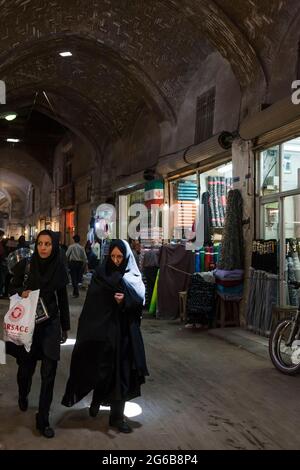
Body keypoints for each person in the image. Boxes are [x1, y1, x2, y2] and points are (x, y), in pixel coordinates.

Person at [62, 239, 149, 433]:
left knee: (122, 373)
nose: (117, 260)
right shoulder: (102, 274)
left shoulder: (133, 275)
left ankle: (116, 418)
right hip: (104, 332)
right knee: (103, 370)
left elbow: (139, 302)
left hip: (125, 334)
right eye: (113, 256)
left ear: (126, 257)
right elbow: (93, 305)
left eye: (120, 257)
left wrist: (125, 301)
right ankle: (98, 399)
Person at [7, 230, 70, 438]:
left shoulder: (59, 268)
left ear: (53, 246)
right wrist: (21, 292)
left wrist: (65, 326)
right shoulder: (26, 265)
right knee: (26, 369)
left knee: (49, 373)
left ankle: (43, 419)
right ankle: (23, 394)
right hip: (28, 326)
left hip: (50, 325)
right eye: (41, 243)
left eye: (48, 244)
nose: (43, 247)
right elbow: (11, 287)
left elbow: (63, 299)